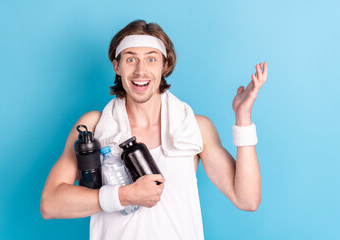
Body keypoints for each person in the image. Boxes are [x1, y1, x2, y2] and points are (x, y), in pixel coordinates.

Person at [40, 19, 267, 239]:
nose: (140, 71)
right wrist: (124, 196)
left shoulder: (194, 127)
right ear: (116, 66)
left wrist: (243, 118)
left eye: (151, 59)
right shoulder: (93, 126)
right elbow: (50, 204)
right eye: (131, 59)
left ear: (165, 65)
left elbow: (247, 200)